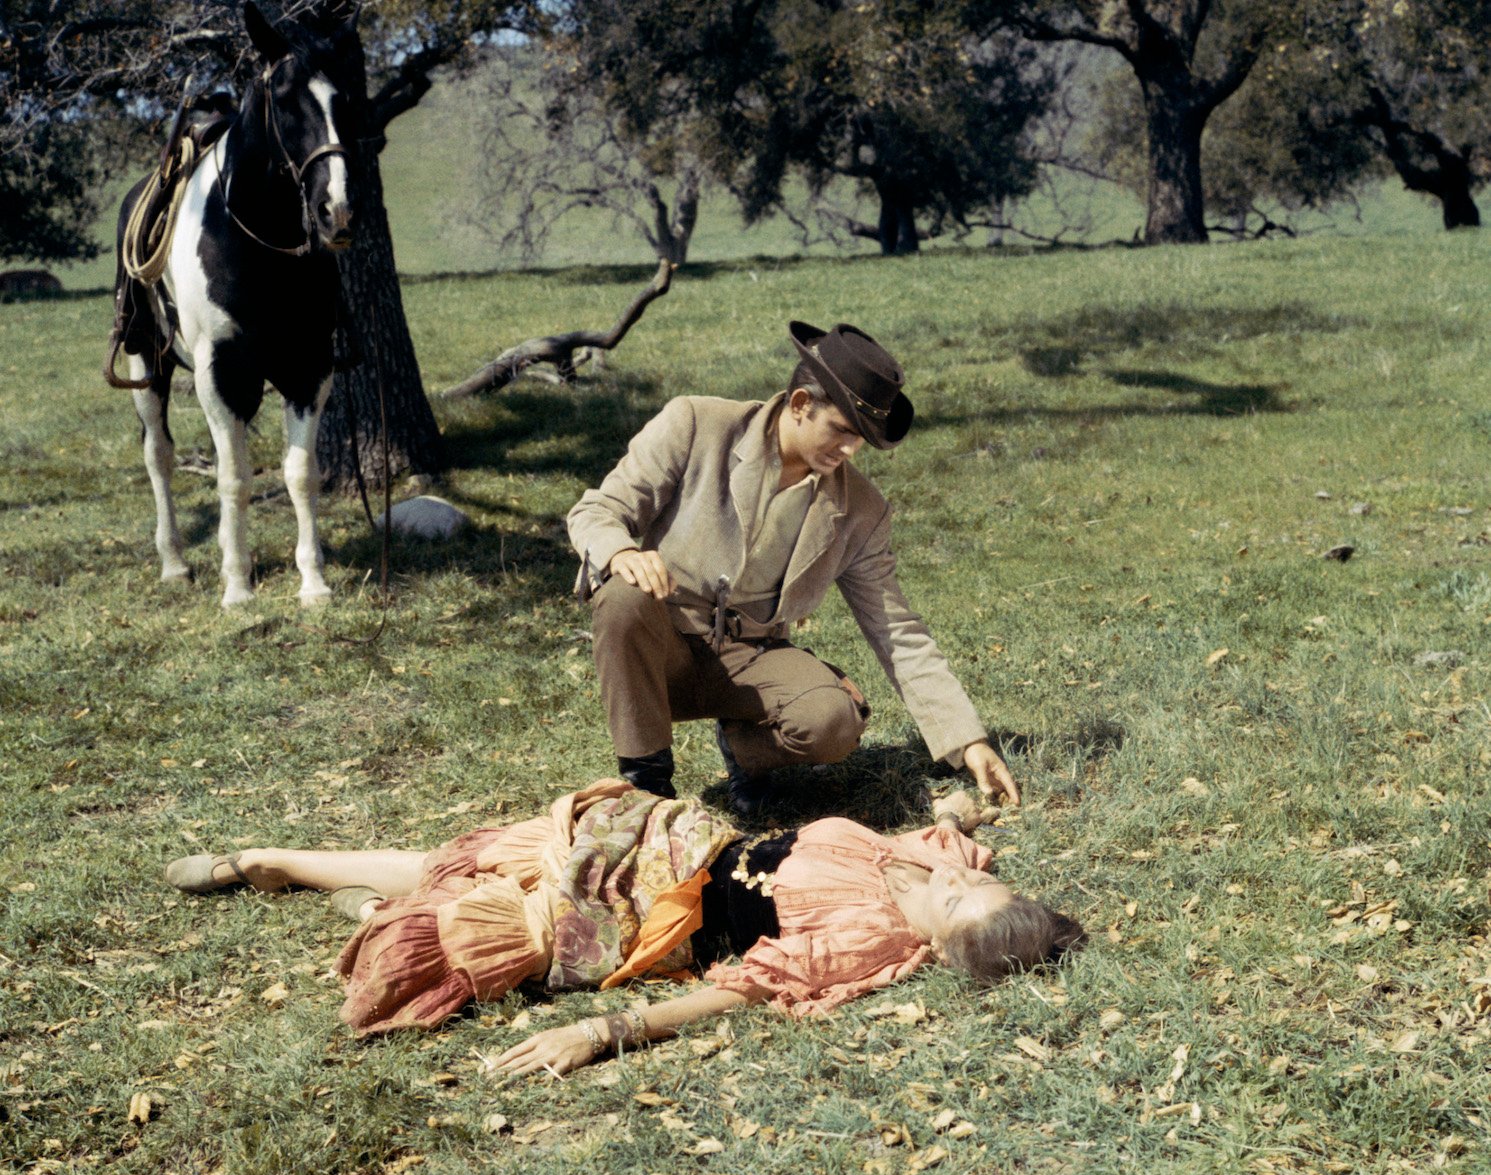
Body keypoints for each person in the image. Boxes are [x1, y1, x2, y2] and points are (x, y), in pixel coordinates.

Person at [164, 783, 1084, 1079]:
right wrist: (961, 806)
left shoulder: (867, 944)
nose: (960, 878)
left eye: (962, 902)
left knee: (490, 920)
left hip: (641, 917)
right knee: (486, 853)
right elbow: (952, 836)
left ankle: (371, 916)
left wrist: (602, 1032)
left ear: (942, 946)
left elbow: (743, 988)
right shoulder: (928, 862)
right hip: (668, 835)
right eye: (974, 879)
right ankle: (273, 857)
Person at [567, 319, 1021, 816]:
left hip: (751, 656)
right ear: (801, 404)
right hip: (661, 650)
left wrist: (967, 741)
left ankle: (745, 752)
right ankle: (647, 789)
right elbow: (596, 512)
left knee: (832, 721)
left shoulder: (861, 510)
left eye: (862, 438)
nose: (850, 451)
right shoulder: (696, 424)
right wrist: (622, 553)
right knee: (621, 594)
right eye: (843, 431)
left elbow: (897, 631)